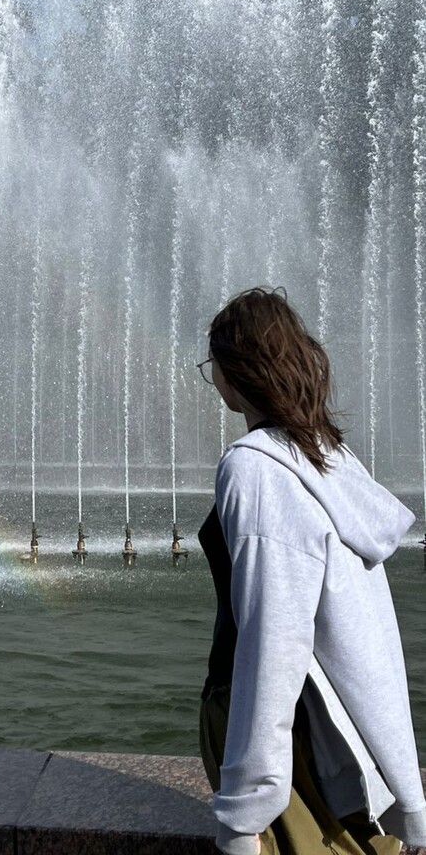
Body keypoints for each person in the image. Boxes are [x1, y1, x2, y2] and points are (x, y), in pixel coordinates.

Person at [196, 287, 426, 855]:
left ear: (234, 373)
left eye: (213, 366)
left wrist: (245, 811)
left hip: (291, 736)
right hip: (333, 726)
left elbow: (274, 639)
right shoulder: (328, 456)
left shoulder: (254, 470)